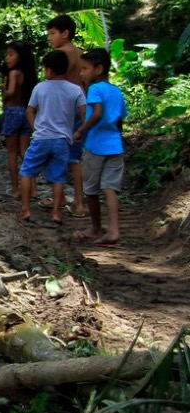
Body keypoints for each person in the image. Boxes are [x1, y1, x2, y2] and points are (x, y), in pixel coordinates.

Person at [20, 50, 85, 226]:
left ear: (48, 70)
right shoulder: (75, 90)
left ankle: (26, 209)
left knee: (27, 171)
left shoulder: (40, 87)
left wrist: (35, 128)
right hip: (62, 140)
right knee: (58, 176)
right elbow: (84, 112)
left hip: (41, 138)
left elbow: (30, 110)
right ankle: (56, 213)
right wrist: (79, 131)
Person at [72, 48, 128, 246]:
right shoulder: (116, 91)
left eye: (85, 69)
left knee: (91, 190)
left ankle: (96, 228)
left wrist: (80, 131)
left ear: (98, 69)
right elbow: (120, 120)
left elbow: (97, 113)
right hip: (115, 146)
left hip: (96, 146)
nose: (81, 73)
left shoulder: (95, 89)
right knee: (110, 188)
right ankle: (114, 230)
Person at [44, 14, 87, 217]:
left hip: (63, 111)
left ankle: (63, 199)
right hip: (80, 107)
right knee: (75, 158)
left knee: (58, 155)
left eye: (52, 33)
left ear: (65, 33)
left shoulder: (61, 55)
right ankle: (77, 202)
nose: (49, 38)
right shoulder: (81, 54)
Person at [0, 41, 38, 199]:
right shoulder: (28, 75)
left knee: (11, 153)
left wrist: (4, 90)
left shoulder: (14, 73)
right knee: (25, 152)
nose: (7, 58)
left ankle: (15, 189)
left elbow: (11, 92)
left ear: (20, 57)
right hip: (25, 112)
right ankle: (33, 189)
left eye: (11, 54)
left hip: (12, 113)